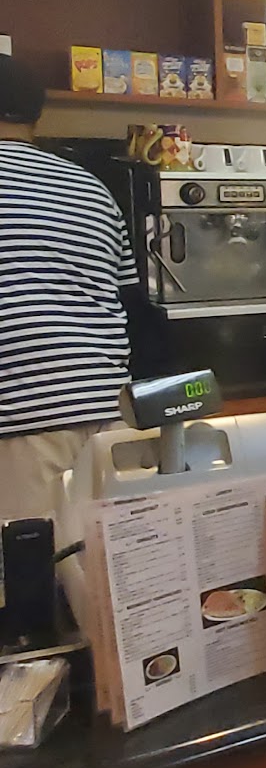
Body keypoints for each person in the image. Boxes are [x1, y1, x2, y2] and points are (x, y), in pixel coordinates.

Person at [0, 57, 137, 522]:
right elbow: (126, 298)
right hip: (109, 412)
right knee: (105, 555)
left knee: (30, 562)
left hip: (21, 418)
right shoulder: (92, 189)